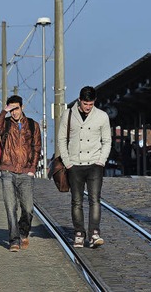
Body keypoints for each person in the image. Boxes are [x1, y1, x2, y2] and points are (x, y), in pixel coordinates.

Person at [57, 86, 111, 248]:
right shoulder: (68, 115)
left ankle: (94, 233)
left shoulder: (102, 116)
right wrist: (67, 162)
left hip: (94, 164)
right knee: (77, 201)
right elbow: (61, 139)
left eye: (91, 104)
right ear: (79, 100)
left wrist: (101, 160)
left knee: (95, 200)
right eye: (85, 103)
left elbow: (107, 141)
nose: (88, 107)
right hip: (75, 164)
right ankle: (79, 233)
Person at [0, 95, 41, 252]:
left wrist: (32, 169)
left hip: (26, 172)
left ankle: (23, 232)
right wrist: (2, 113)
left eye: (16, 109)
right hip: (8, 170)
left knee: (28, 208)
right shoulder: (5, 124)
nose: (14, 112)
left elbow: (36, 147)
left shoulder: (33, 125)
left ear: (22, 108)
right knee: (10, 205)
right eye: (11, 109)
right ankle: (14, 240)